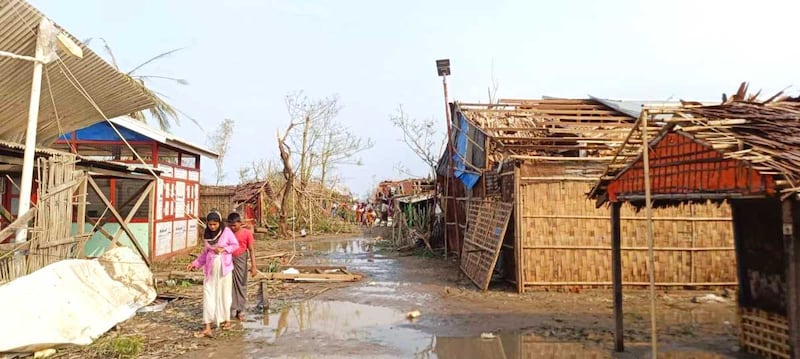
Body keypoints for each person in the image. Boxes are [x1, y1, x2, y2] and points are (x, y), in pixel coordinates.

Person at [186, 211, 239, 337]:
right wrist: (195, 263)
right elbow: (205, 254)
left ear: (219, 223)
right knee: (208, 295)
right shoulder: (207, 236)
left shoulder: (226, 232)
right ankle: (207, 326)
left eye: (215, 224)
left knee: (224, 294)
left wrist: (224, 249)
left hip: (224, 269)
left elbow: (235, 245)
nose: (212, 227)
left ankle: (226, 320)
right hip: (210, 271)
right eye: (210, 224)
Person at [227, 212, 257, 322]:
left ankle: (239, 310)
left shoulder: (247, 233)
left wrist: (254, 266)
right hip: (228, 260)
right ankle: (227, 310)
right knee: (227, 285)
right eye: (230, 225)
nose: (233, 227)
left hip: (241, 260)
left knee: (241, 284)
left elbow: (251, 250)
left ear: (240, 223)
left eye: (234, 225)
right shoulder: (227, 233)